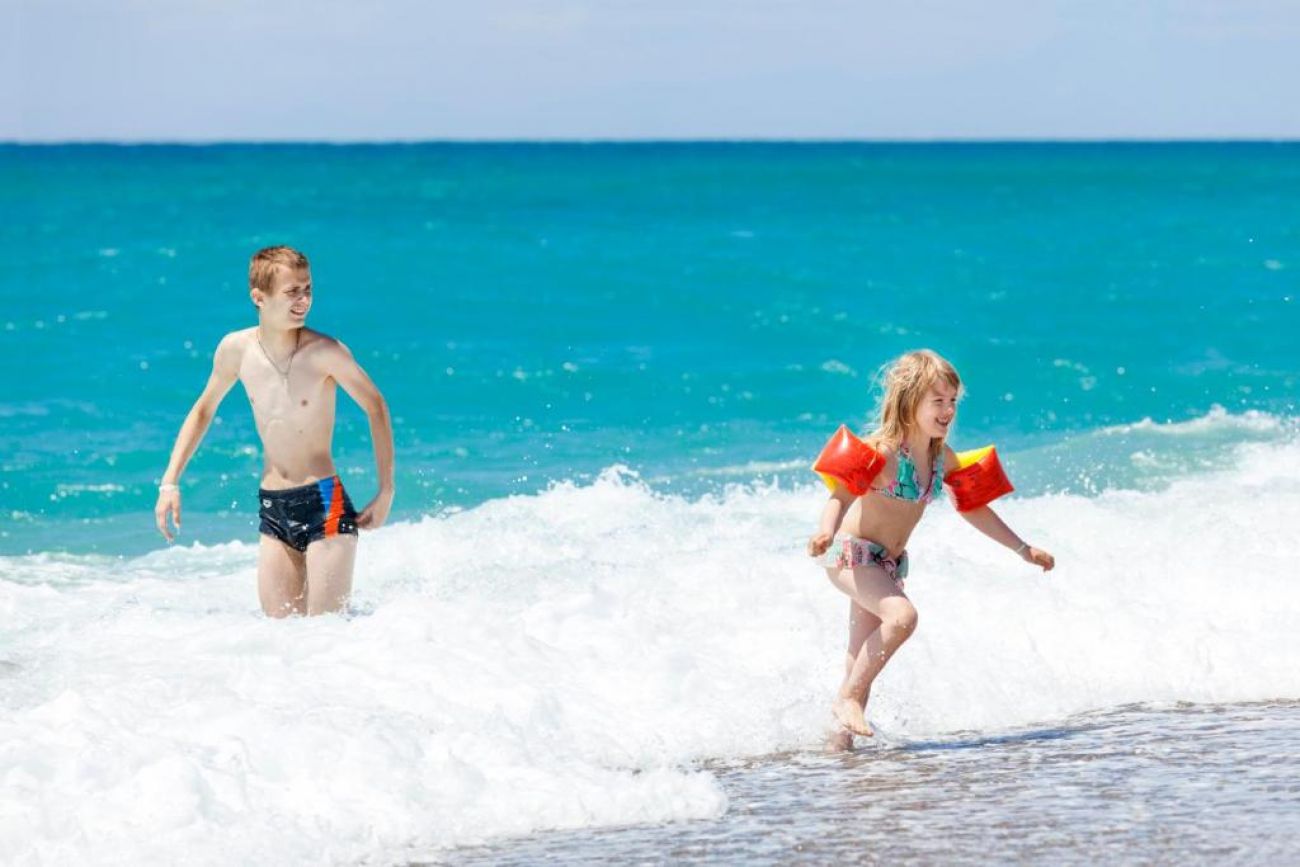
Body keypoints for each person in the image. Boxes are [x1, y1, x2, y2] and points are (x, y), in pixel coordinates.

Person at [807, 349, 1054, 738]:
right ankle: (847, 701)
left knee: (860, 663)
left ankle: (839, 747)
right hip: (851, 557)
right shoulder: (883, 452)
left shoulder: (941, 458)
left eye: (952, 400)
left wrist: (1023, 549)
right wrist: (825, 531)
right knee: (902, 618)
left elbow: (973, 508)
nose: (948, 409)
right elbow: (841, 495)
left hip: (886, 565)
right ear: (909, 401)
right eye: (937, 400)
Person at [154, 246, 394, 617]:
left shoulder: (325, 352)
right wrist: (169, 482)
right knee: (279, 635)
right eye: (292, 292)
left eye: (308, 289)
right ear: (259, 297)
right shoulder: (236, 349)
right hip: (272, 507)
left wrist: (386, 490)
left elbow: (376, 406)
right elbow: (203, 410)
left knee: (328, 631)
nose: (304, 300)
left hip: (326, 501)